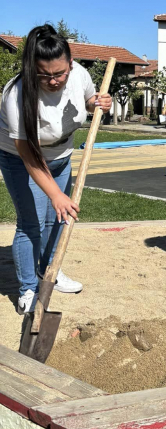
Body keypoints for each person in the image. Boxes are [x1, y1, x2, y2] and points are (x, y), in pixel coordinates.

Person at [0, 25, 112, 314]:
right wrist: (56, 194)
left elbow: (88, 100)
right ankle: (28, 288)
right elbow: (28, 154)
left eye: (59, 73)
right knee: (31, 222)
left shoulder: (80, 75)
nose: (53, 81)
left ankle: (50, 271)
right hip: (21, 159)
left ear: (70, 64)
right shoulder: (16, 94)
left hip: (61, 156)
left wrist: (97, 103)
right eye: (45, 75)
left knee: (55, 221)